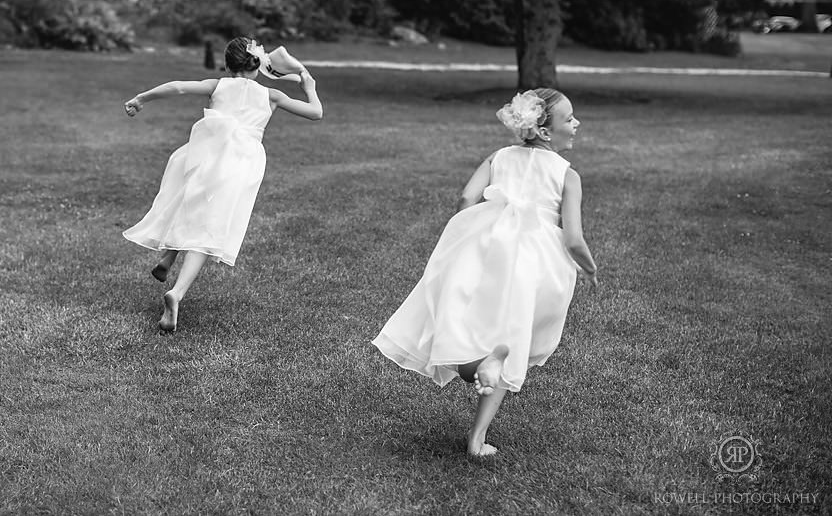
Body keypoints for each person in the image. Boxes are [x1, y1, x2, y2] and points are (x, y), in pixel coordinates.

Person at [371, 88, 598, 458]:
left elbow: (465, 199)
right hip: (532, 260)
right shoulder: (567, 175)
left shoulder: (498, 157)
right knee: (513, 337)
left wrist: (464, 234)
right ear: (544, 131)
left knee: (462, 323)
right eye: (569, 119)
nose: (576, 124)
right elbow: (573, 238)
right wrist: (589, 268)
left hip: (485, 245)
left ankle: (477, 366)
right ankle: (476, 438)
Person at [122, 37, 323, 332]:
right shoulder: (272, 95)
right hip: (241, 163)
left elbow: (177, 86)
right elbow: (316, 113)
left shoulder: (217, 85)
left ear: (228, 65)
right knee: (209, 225)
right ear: (258, 65)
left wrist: (141, 98)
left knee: (190, 200)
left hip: (207, 154)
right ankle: (176, 293)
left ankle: (168, 259)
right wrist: (310, 89)